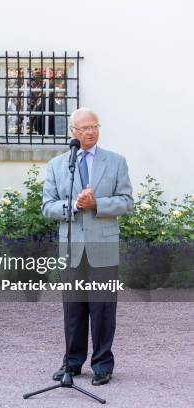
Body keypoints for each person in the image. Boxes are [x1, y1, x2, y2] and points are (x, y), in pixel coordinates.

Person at [42, 107, 133, 386]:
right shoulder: (58, 165)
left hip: (103, 248)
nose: (90, 132)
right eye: (83, 128)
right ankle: (72, 362)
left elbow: (127, 201)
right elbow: (47, 207)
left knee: (103, 309)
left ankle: (103, 364)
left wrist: (98, 204)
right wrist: (73, 205)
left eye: (94, 126)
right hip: (71, 248)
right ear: (73, 132)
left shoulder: (116, 161)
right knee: (73, 309)